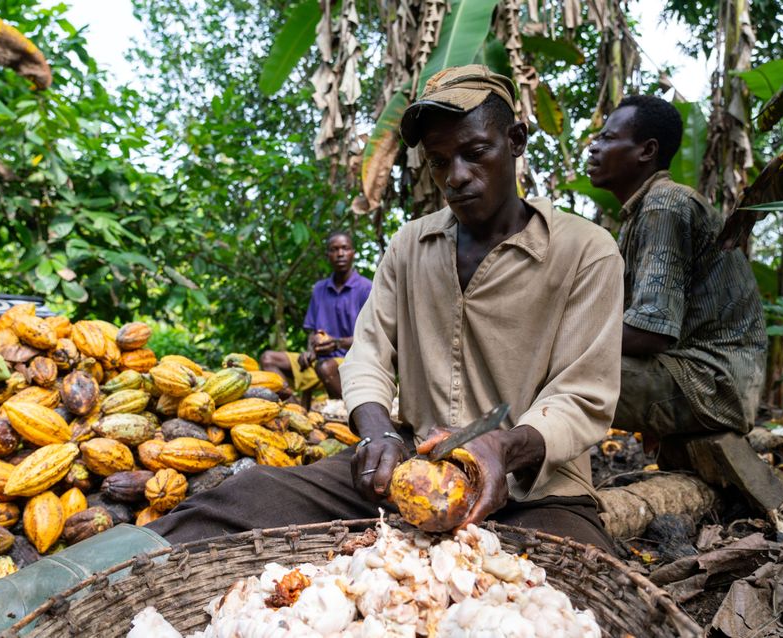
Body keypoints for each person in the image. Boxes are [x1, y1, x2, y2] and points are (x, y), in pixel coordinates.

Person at [149, 65, 623, 552]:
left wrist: (504, 447)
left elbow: (582, 395)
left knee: (583, 581)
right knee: (236, 503)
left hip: (533, 489)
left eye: (475, 153)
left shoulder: (586, 251)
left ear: (516, 140)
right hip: (412, 475)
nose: (456, 177)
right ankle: (78, 585)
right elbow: (370, 352)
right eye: (439, 162)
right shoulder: (410, 245)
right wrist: (377, 432)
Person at [586, 95, 782, 511]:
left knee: (546, 366)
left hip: (711, 382)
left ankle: (552, 491)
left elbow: (650, 332)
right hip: (710, 378)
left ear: (647, 150)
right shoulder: (643, 213)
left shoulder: (665, 204)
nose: (594, 146)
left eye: (607, 137)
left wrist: (555, 336)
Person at [259, 231, 372, 400]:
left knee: (326, 367)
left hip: (353, 365)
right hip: (319, 363)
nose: (340, 254)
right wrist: (310, 351)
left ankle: (348, 414)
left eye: (345, 248)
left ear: (353, 253)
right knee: (269, 358)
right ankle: (295, 411)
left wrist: (337, 344)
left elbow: (373, 338)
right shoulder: (320, 289)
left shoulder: (366, 288)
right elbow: (313, 332)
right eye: (334, 249)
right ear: (328, 255)